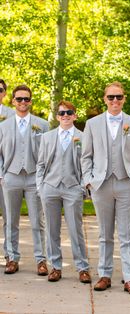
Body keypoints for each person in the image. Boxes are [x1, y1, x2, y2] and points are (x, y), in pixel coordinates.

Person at [81, 81, 130, 296]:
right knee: (104, 234)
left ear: (124, 98)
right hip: (101, 184)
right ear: (105, 99)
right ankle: (104, 274)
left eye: (119, 97)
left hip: (126, 183)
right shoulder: (92, 124)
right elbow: (86, 156)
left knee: (127, 234)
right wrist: (89, 180)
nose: (115, 101)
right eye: (111, 97)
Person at [36, 100, 91, 283]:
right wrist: (40, 186)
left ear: (75, 115)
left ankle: (82, 268)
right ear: (57, 116)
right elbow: (41, 164)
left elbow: (88, 164)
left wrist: (82, 187)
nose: (65, 116)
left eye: (69, 113)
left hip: (72, 188)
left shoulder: (83, 137)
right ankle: (56, 267)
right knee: (52, 230)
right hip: (49, 187)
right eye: (61, 113)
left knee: (76, 229)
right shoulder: (47, 137)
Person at [0, 84, 49, 275]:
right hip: (10, 177)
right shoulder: (2, 126)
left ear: (30, 101)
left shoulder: (42, 125)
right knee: (11, 221)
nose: (22, 102)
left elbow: (46, 153)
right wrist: (2, 174)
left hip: (33, 178)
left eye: (26, 99)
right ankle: (12, 258)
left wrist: (42, 176)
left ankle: (41, 260)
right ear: (13, 101)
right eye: (19, 99)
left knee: (38, 221)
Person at [0, 79, 15, 259]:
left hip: (6, 174)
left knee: (9, 218)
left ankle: (10, 255)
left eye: (0, 89)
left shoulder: (12, 115)